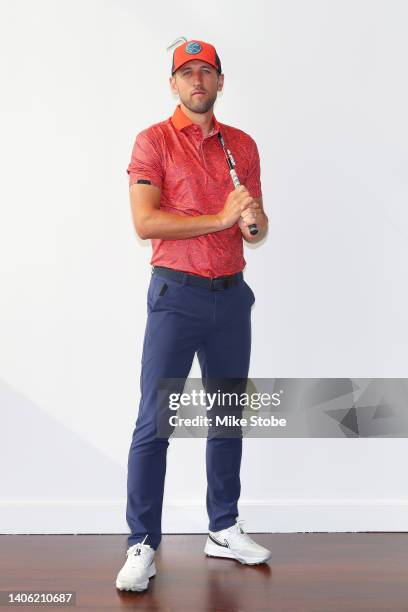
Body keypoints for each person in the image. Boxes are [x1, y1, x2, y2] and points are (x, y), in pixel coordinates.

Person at [116, 39, 270, 592]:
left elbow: (256, 226)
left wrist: (251, 222)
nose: (197, 80)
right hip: (175, 297)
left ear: (221, 82)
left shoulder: (242, 146)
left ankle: (223, 526)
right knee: (155, 421)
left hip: (231, 295)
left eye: (206, 71)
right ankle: (142, 543)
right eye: (187, 72)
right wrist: (218, 217)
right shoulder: (153, 140)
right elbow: (145, 221)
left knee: (227, 416)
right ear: (173, 83)